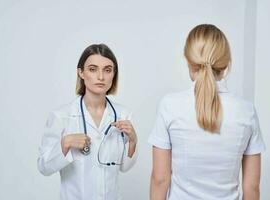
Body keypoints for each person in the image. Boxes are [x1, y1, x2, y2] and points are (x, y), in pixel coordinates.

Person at [148, 24, 266, 200]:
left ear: (188, 60)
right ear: (226, 63)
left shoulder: (169, 105)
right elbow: (252, 187)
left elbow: (160, 179)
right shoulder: (246, 110)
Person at [38, 44, 138, 200]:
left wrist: (133, 141)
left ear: (113, 74)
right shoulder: (62, 116)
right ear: (81, 73)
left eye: (107, 70)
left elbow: (125, 167)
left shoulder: (123, 114)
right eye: (93, 69)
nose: (101, 77)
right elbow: (44, 167)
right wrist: (65, 144)